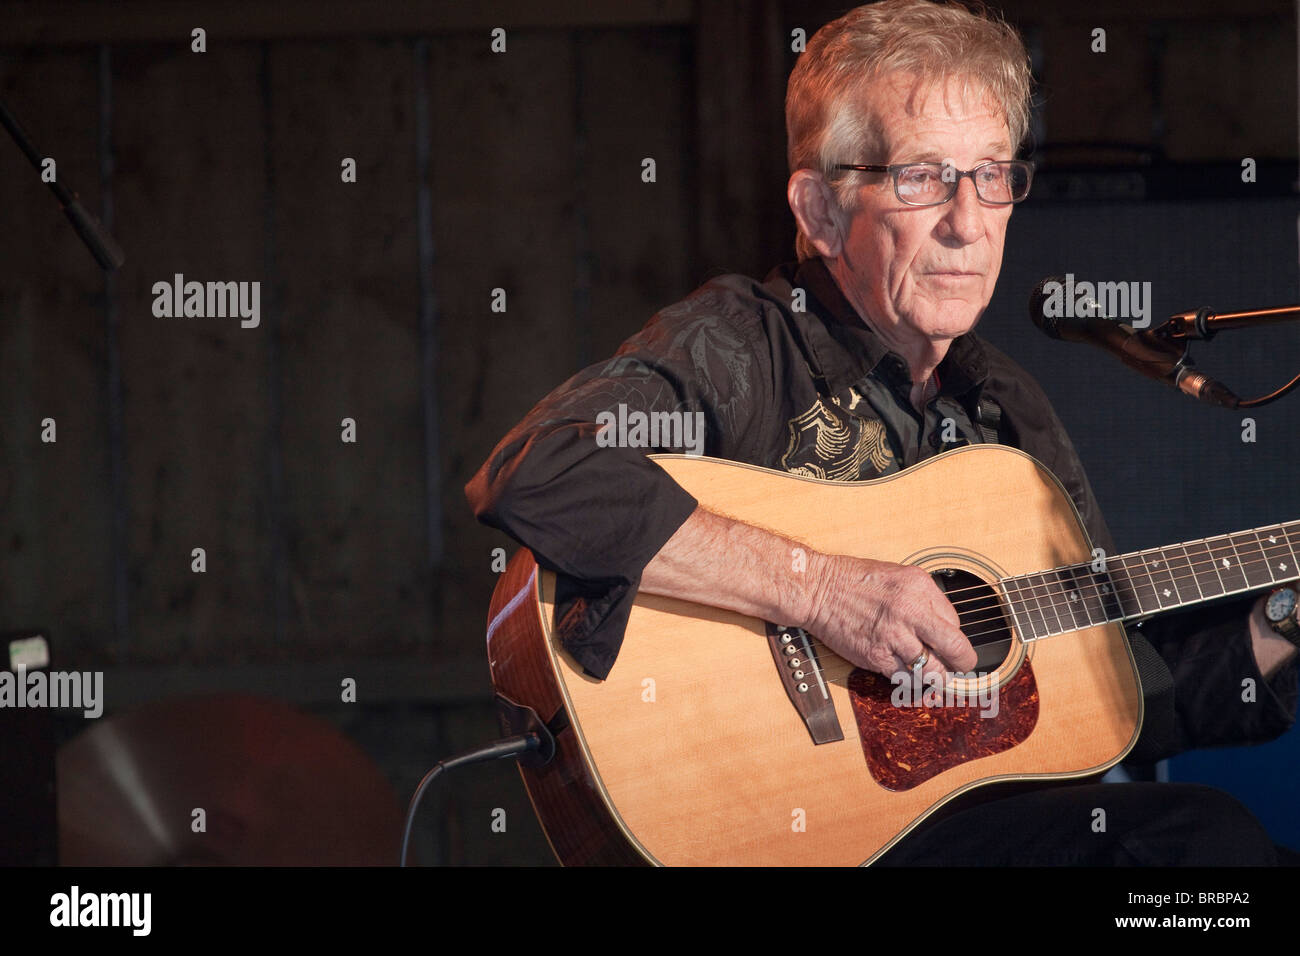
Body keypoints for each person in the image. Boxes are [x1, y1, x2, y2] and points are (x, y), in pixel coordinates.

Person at [465, 0, 1298, 864]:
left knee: (1209, 860)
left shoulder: (1006, 411)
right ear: (821, 211)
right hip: (775, 825)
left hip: (957, 830)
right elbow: (538, 467)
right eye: (922, 178)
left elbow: (1125, 697)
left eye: (994, 175)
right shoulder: (746, 342)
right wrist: (817, 590)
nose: (968, 223)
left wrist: (1283, 618)